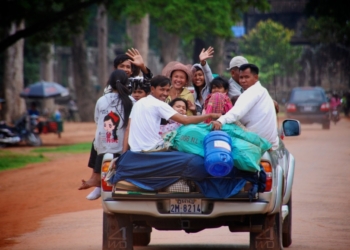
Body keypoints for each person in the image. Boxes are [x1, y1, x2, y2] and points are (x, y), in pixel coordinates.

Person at [84, 49, 153, 200]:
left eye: (129, 67)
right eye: (123, 66)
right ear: (115, 69)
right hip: (113, 127)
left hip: (133, 125)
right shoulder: (108, 90)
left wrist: (143, 68)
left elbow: (150, 83)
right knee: (98, 140)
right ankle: (98, 181)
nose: (127, 70)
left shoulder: (135, 82)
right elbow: (100, 117)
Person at [123, 75, 221, 152]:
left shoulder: (138, 103)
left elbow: (128, 129)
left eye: (167, 90)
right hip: (152, 149)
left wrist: (124, 155)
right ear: (152, 89)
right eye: (162, 89)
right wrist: (210, 115)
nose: (165, 93)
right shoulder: (159, 104)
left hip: (134, 151)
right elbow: (185, 120)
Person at [79, 70, 133, 193]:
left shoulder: (101, 100)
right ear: (126, 83)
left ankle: (96, 179)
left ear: (110, 83)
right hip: (122, 149)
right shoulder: (131, 101)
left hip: (102, 148)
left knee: (97, 142)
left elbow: (97, 120)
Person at [211, 64, 279, 150]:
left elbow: (236, 112)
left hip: (257, 143)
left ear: (256, 77)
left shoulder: (252, 91)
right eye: (241, 77)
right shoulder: (263, 91)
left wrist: (220, 121)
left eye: (246, 77)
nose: (243, 80)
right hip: (270, 143)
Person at [192, 47, 215, 114]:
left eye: (200, 75)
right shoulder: (193, 95)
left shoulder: (210, 88)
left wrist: (203, 62)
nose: (197, 77)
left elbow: (208, 73)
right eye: (195, 75)